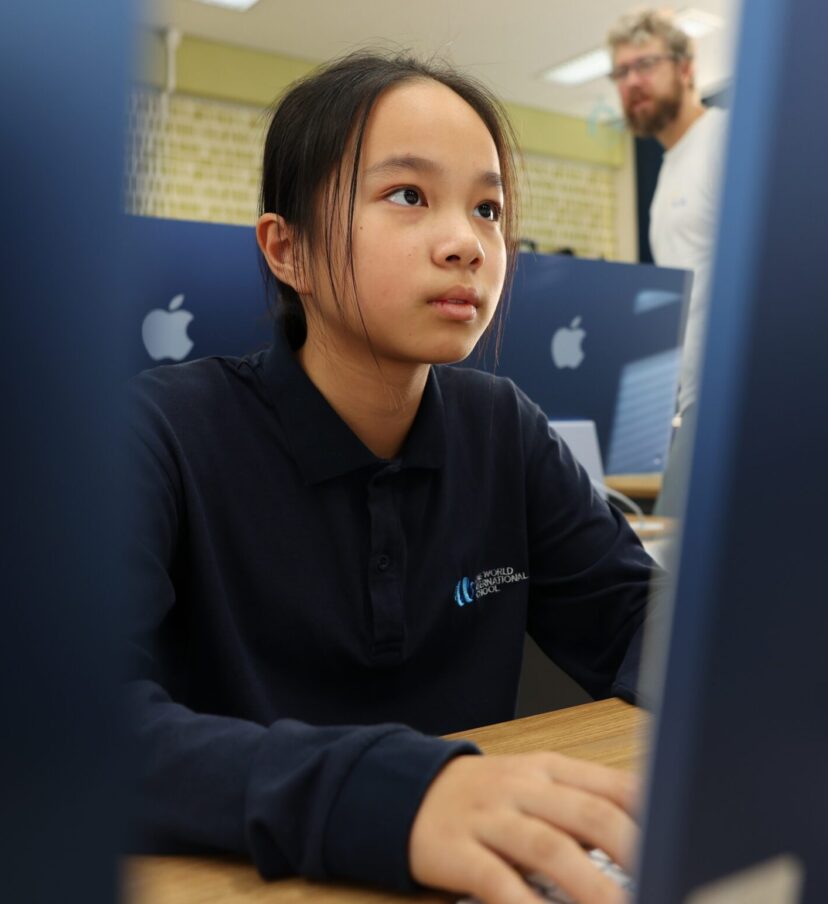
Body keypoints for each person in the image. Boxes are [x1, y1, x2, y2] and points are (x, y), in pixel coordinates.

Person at [127, 51, 659, 904]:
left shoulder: (503, 427)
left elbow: (636, 620)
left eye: (488, 208)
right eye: (408, 196)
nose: (466, 244)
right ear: (287, 249)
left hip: (482, 871)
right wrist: (392, 795)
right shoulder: (162, 430)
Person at [607, 9, 728, 517]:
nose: (632, 81)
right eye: (621, 72)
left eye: (646, 64)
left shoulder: (723, 141)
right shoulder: (667, 177)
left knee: (671, 577)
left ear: (685, 68)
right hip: (694, 399)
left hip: (730, 395)